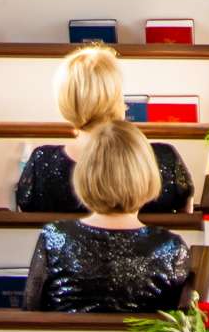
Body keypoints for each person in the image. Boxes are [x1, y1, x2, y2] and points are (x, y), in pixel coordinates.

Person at [23, 120, 194, 314]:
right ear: (147, 175)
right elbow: (180, 328)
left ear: (85, 174)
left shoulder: (54, 238)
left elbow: (31, 313)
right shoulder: (171, 249)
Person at [15, 42, 193, 217]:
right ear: (116, 96)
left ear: (66, 101)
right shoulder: (163, 159)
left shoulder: (42, 165)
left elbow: (26, 229)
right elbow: (188, 224)